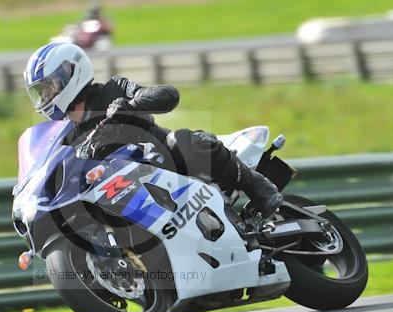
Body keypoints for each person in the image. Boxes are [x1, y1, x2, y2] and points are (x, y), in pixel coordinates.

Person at [23, 43, 283, 217]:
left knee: (182, 140)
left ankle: (256, 184)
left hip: (161, 162)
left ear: (71, 72)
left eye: (48, 87)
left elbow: (167, 95)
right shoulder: (65, 134)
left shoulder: (112, 90)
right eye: (41, 92)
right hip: (117, 189)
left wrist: (131, 104)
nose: (45, 96)